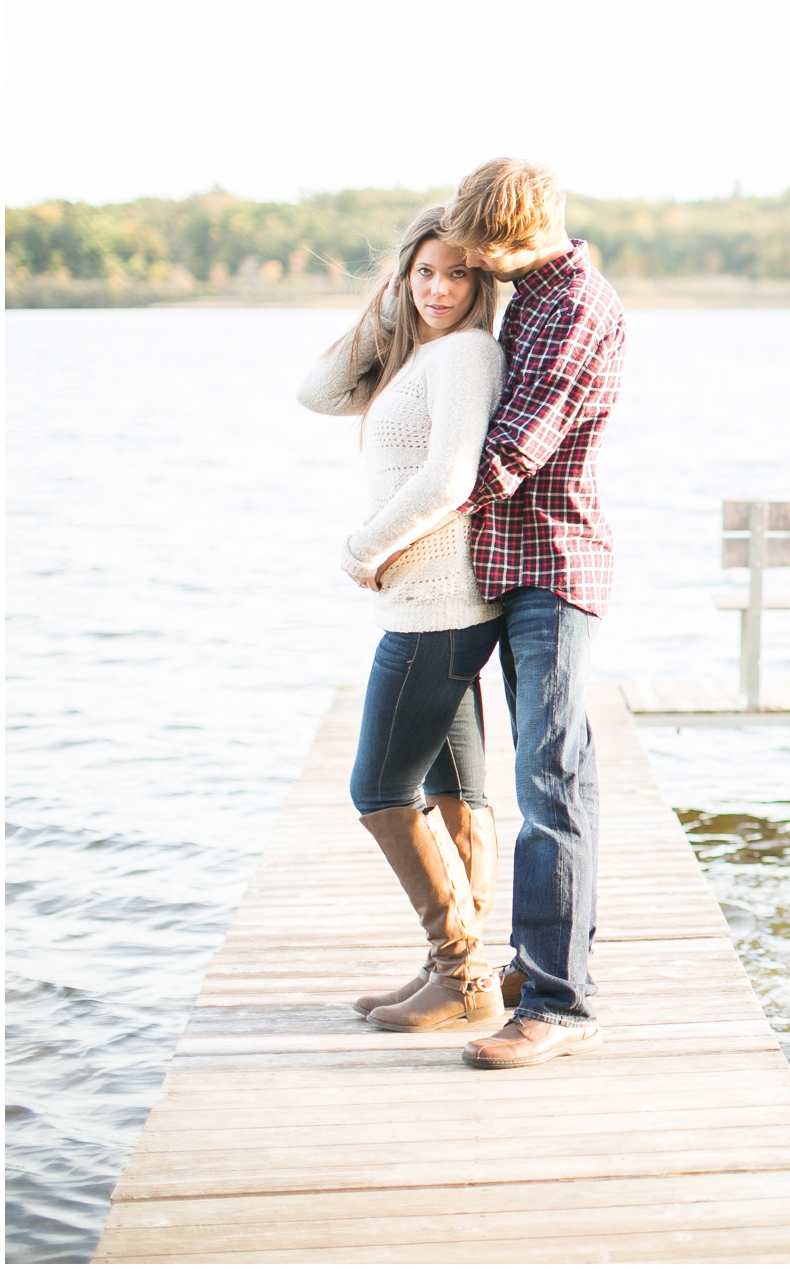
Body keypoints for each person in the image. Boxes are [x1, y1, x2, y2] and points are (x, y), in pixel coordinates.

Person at [437, 159, 628, 1070]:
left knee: (549, 782)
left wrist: (407, 525)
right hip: (517, 565)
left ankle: (558, 1004)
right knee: (560, 776)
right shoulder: (532, 296)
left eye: (484, 247)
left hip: (553, 565)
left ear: (523, 232)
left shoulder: (578, 306)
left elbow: (514, 450)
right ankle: (540, 964)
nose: (476, 261)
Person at [297, 206, 507, 1033]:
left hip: (436, 605)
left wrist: (363, 547)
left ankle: (461, 970)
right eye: (425, 271)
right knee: (458, 787)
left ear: (482, 281)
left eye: (458, 273)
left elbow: (453, 474)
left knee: (380, 787)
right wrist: (391, 304)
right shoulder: (421, 353)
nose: (440, 287)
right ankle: (456, 967)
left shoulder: (464, 354)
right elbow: (316, 393)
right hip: (435, 603)